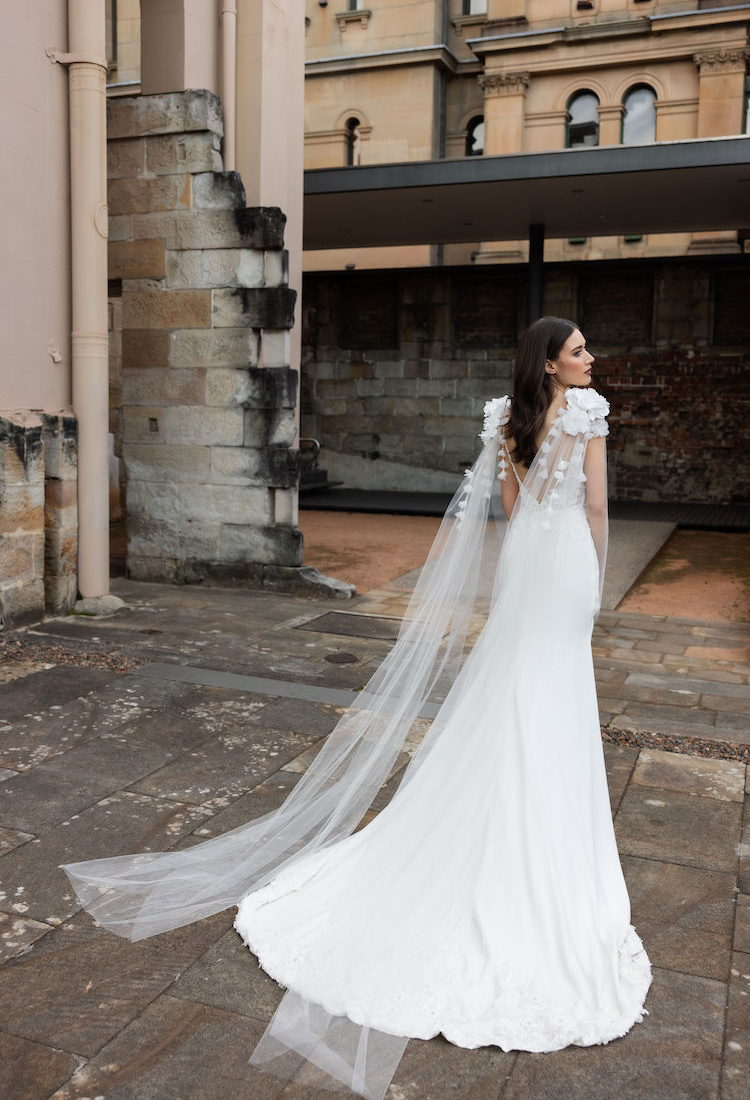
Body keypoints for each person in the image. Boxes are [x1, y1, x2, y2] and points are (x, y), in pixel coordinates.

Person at [63, 317, 652, 1100]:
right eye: (578, 349)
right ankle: (538, 840)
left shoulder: (507, 419)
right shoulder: (588, 412)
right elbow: (599, 513)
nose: (590, 358)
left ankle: (486, 820)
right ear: (551, 363)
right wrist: (597, 587)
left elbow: (513, 512)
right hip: (567, 568)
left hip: (524, 570)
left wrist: (543, 551)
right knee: (551, 694)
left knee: (509, 692)